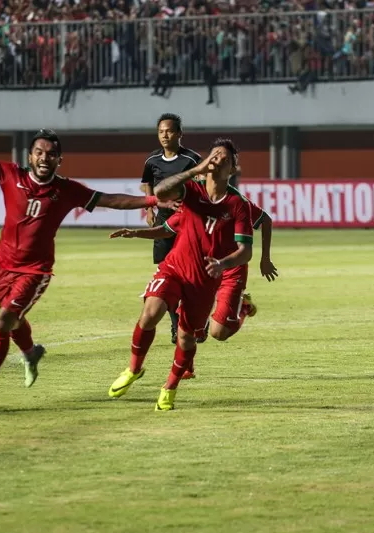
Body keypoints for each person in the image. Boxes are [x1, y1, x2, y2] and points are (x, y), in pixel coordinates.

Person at [0, 98, 176, 413]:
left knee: (3, 320)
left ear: (59, 160)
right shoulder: (9, 174)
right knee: (12, 320)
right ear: (30, 156)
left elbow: (111, 200)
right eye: (39, 152)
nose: (44, 158)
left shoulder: (66, 190)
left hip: (35, 271)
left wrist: (151, 202)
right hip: (4, 267)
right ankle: (30, 353)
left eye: (51, 154)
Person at [108, 139, 253, 411]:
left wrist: (222, 264)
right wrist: (135, 233)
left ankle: (169, 387)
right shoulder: (191, 191)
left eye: (225, 157)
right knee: (151, 312)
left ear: (233, 168)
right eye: (215, 154)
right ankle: (133, 369)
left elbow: (245, 252)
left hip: (204, 281)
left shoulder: (237, 205)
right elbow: (162, 195)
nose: (218, 159)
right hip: (174, 267)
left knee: (188, 338)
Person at [109, 199, 278, 378]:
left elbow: (265, 220)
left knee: (219, 333)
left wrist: (265, 258)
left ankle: (243, 308)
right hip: (201, 267)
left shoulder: (236, 202)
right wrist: (136, 232)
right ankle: (187, 368)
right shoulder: (192, 201)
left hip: (231, 269)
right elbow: (168, 229)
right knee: (188, 321)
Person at [141, 113, 203, 344]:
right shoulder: (152, 160)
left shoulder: (193, 159)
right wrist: (150, 209)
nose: (164, 135)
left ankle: (195, 317)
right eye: (160, 132)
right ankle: (177, 324)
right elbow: (146, 183)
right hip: (164, 221)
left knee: (190, 276)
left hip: (188, 223)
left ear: (179, 134)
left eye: (168, 131)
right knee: (166, 275)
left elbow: (204, 187)